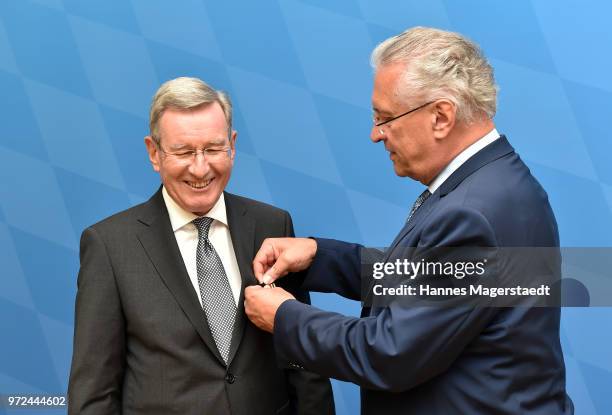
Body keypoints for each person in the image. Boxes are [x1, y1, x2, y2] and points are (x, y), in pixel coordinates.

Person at [244, 27, 574, 414]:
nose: (375, 134)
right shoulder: (496, 183)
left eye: (385, 118)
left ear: (441, 116)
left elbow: (389, 353)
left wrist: (285, 318)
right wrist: (322, 258)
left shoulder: (471, 213)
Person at [68, 77, 334, 415]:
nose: (200, 167)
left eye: (212, 149)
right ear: (154, 152)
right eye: (183, 152)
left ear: (232, 145)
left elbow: (303, 359)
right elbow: (93, 392)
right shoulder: (109, 245)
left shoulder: (272, 226)